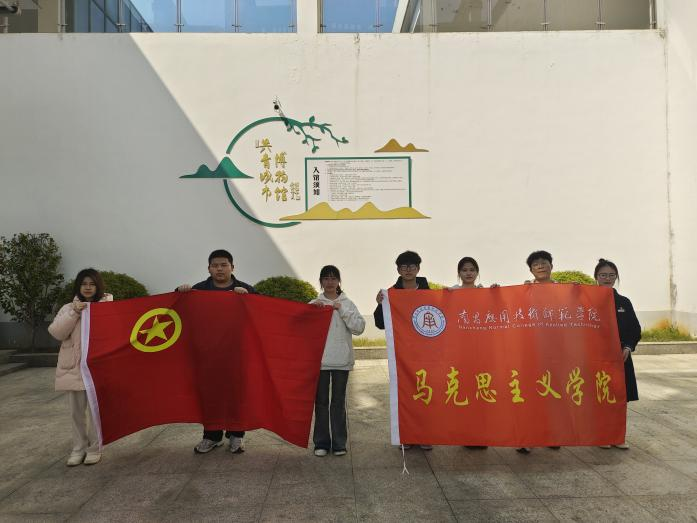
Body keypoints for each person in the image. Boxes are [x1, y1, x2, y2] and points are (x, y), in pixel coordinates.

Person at [176, 249, 256, 455]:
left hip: (236, 354)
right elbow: (177, 307)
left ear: (232, 267)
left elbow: (262, 314)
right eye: (215, 265)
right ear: (209, 269)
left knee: (236, 394)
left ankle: (236, 435)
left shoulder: (245, 289)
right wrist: (179, 291)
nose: (219, 269)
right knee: (210, 394)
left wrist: (249, 299)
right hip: (207, 354)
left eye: (224, 265)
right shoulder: (198, 290)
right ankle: (212, 436)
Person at [49, 268, 113, 466]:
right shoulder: (68, 308)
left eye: (92, 284)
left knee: (95, 412)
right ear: (78, 286)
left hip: (96, 368)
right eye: (84, 284)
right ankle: (78, 449)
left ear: (98, 286)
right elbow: (57, 332)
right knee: (76, 413)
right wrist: (75, 312)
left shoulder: (107, 308)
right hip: (74, 368)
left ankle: (94, 448)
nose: (88, 287)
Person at [374, 250, 432, 450]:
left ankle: (425, 436)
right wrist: (380, 304)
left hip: (425, 353)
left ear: (418, 269)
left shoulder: (429, 293)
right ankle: (406, 436)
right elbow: (380, 323)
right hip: (402, 354)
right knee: (405, 395)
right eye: (404, 266)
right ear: (398, 270)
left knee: (426, 393)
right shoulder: (391, 293)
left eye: (412, 266)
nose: (408, 270)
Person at [310, 265, 365, 457]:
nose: (330, 282)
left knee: (338, 403)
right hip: (319, 362)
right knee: (321, 403)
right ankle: (321, 443)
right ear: (321, 281)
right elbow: (300, 328)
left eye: (333, 278)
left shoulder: (347, 303)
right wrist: (313, 312)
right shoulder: (314, 303)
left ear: (339, 281)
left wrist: (342, 310)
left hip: (342, 361)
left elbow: (359, 328)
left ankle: (340, 443)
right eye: (326, 278)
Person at [594, 258, 641, 450]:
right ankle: (601, 436)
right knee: (599, 397)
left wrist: (628, 347)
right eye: (603, 275)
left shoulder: (624, 302)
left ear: (616, 277)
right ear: (596, 277)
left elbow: (634, 329)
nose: (607, 278)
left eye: (611, 275)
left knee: (619, 397)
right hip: (596, 357)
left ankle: (617, 436)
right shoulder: (588, 301)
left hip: (621, 357)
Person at [520, 250, 559, 453]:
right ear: (531, 270)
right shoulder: (525, 289)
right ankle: (528, 438)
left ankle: (552, 436)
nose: (541, 266)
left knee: (553, 395)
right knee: (530, 395)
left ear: (552, 266)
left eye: (544, 262)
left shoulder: (562, 290)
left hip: (556, 351)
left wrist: (577, 291)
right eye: (536, 264)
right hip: (531, 350)